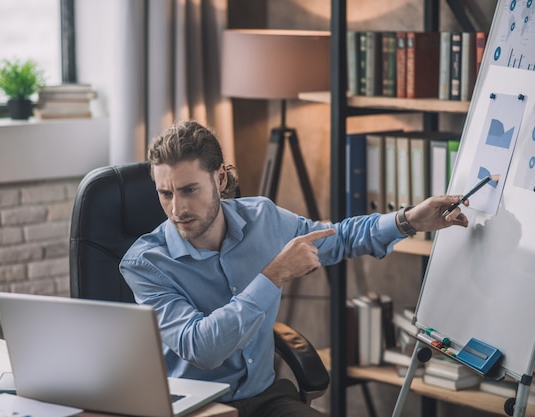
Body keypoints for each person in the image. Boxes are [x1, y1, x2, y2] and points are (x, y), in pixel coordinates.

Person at [119, 120, 470, 417]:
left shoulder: (263, 219)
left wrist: (408, 220)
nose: (177, 207)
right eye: (165, 193)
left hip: (266, 399)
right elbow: (202, 347)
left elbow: (339, 237)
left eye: (189, 190)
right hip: (199, 408)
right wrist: (273, 275)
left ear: (221, 179)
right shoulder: (146, 264)